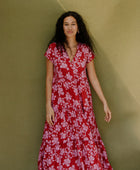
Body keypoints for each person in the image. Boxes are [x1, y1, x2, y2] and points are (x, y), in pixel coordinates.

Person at [38, 11, 113, 170]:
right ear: (62, 27)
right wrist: (48, 106)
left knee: (85, 138)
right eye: (66, 24)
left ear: (78, 27)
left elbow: (92, 78)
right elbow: (49, 79)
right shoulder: (53, 49)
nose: (70, 27)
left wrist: (104, 102)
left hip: (82, 104)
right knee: (60, 139)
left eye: (73, 24)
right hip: (60, 103)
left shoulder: (86, 50)